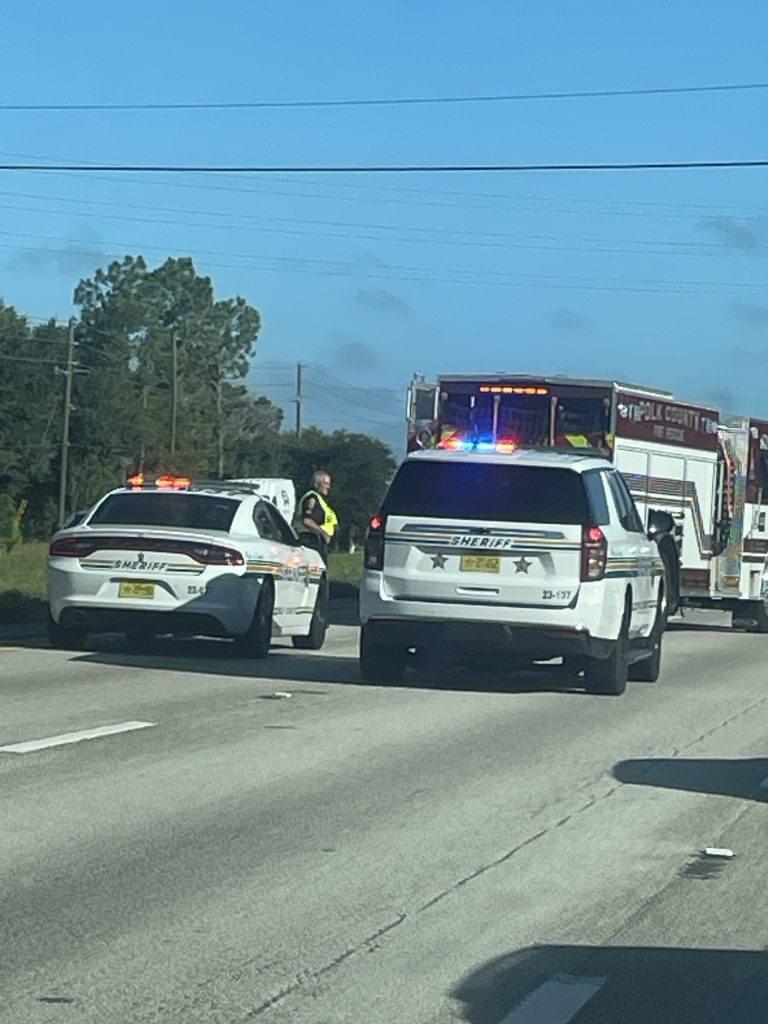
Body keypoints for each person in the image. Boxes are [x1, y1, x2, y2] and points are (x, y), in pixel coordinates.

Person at [296, 470, 338, 563]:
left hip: (319, 543)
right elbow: (306, 520)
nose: (328, 487)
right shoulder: (311, 498)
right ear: (316, 484)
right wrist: (323, 533)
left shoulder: (320, 499)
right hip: (311, 541)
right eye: (326, 483)